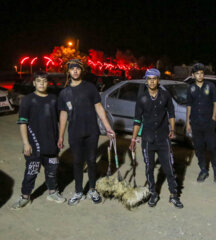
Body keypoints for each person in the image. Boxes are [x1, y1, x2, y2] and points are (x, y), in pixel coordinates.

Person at [57, 59, 115, 206]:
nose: (75, 71)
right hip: (75, 132)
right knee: (77, 162)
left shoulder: (90, 88)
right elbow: (63, 114)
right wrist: (60, 135)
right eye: (72, 69)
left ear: (81, 70)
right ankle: (78, 192)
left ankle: (92, 189)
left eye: (77, 68)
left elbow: (99, 108)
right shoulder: (64, 93)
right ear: (68, 72)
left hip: (91, 131)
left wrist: (108, 127)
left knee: (91, 161)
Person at [129, 68, 183, 209]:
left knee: (169, 167)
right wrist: (133, 139)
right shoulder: (142, 98)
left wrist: (172, 129)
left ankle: (174, 195)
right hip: (147, 139)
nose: (152, 81)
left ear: (158, 80)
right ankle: (153, 193)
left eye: (154, 78)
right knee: (149, 167)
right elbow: (137, 120)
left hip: (163, 138)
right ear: (146, 81)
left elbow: (171, 113)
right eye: (149, 79)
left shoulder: (165, 96)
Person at [12, 71, 66, 209]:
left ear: (48, 83)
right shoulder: (28, 100)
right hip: (34, 145)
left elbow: (62, 118)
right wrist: (26, 143)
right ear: (34, 83)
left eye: (44, 81)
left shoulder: (54, 99)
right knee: (31, 172)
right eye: (39, 81)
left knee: (52, 171)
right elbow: (23, 123)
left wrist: (60, 137)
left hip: (51, 144)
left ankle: (53, 192)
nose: (42, 83)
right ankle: (25, 197)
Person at [186, 63, 216, 186]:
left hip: (208, 123)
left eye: (201, 73)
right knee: (199, 148)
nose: (200, 75)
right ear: (193, 75)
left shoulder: (210, 86)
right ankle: (203, 170)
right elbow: (189, 106)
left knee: (212, 148)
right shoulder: (190, 88)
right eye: (197, 73)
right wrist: (188, 122)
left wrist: (213, 118)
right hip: (196, 124)